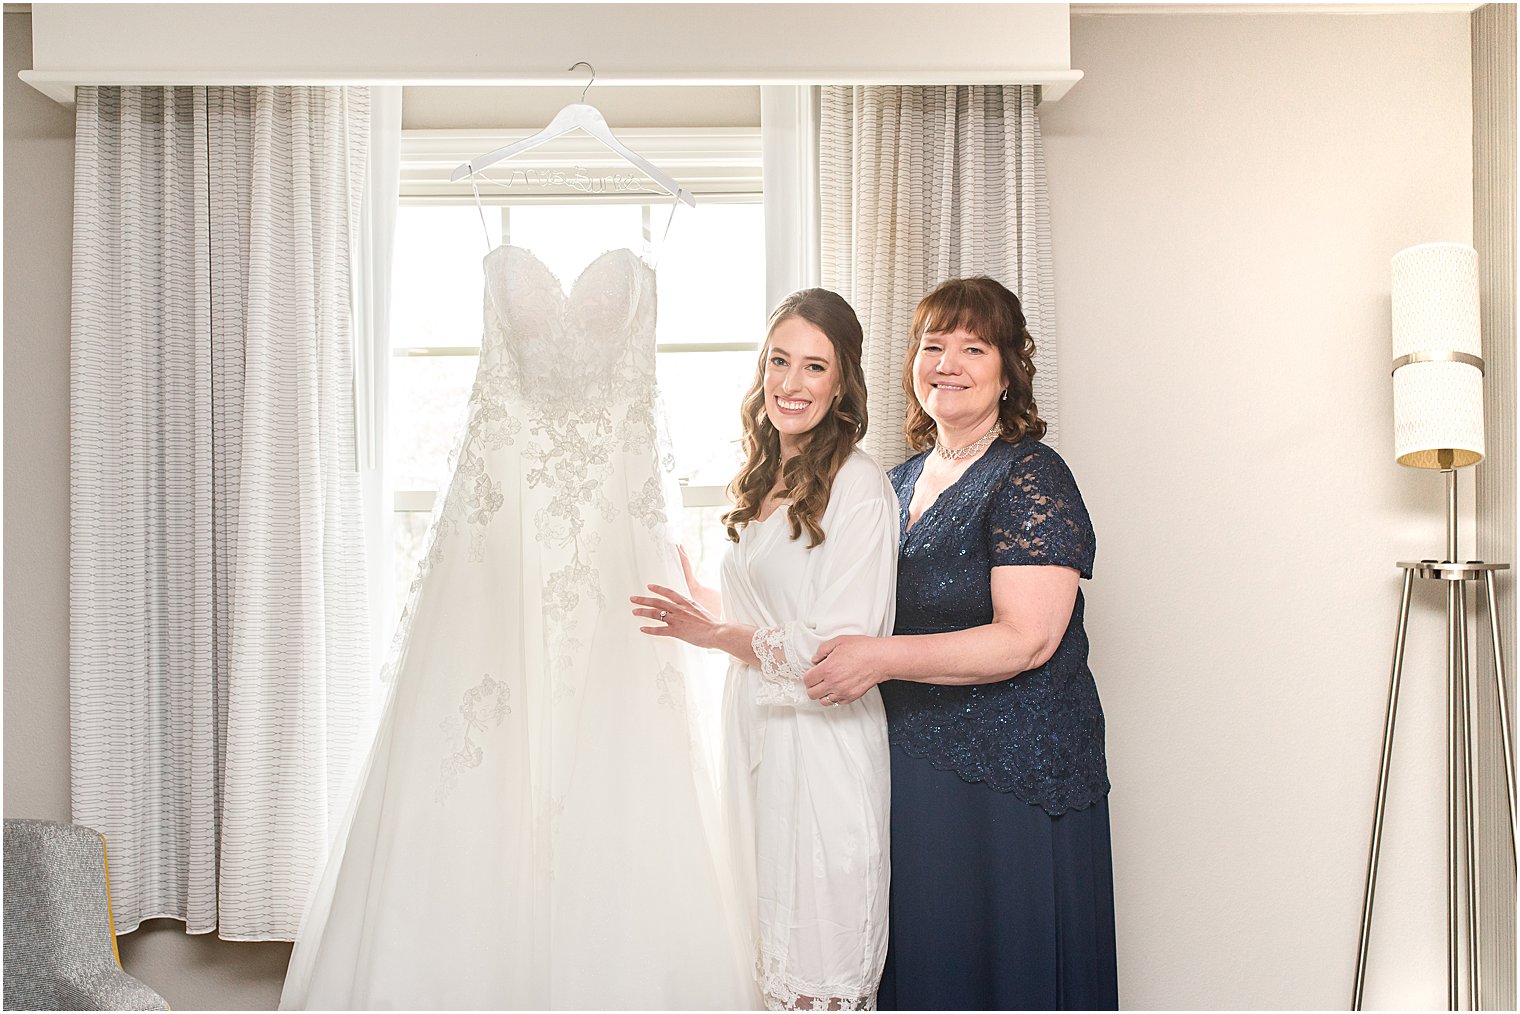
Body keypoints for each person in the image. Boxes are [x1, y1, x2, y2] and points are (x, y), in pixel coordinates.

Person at [801, 277, 1118, 1010]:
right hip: (907, 769)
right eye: (932, 345)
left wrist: (877, 660)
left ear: (1008, 374)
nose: (947, 362)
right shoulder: (892, 482)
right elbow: (830, 605)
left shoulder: (1031, 473)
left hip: (1014, 778)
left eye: (972, 348)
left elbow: (1029, 639)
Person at [633, 288, 898, 1011]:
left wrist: (717, 635)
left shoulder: (860, 485)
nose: (791, 383)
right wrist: (705, 608)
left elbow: (838, 643)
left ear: (843, 381)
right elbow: (773, 613)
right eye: (779, 361)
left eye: (815, 367)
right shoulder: (761, 481)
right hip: (752, 735)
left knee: (813, 967)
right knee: (755, 956)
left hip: (822, 750)